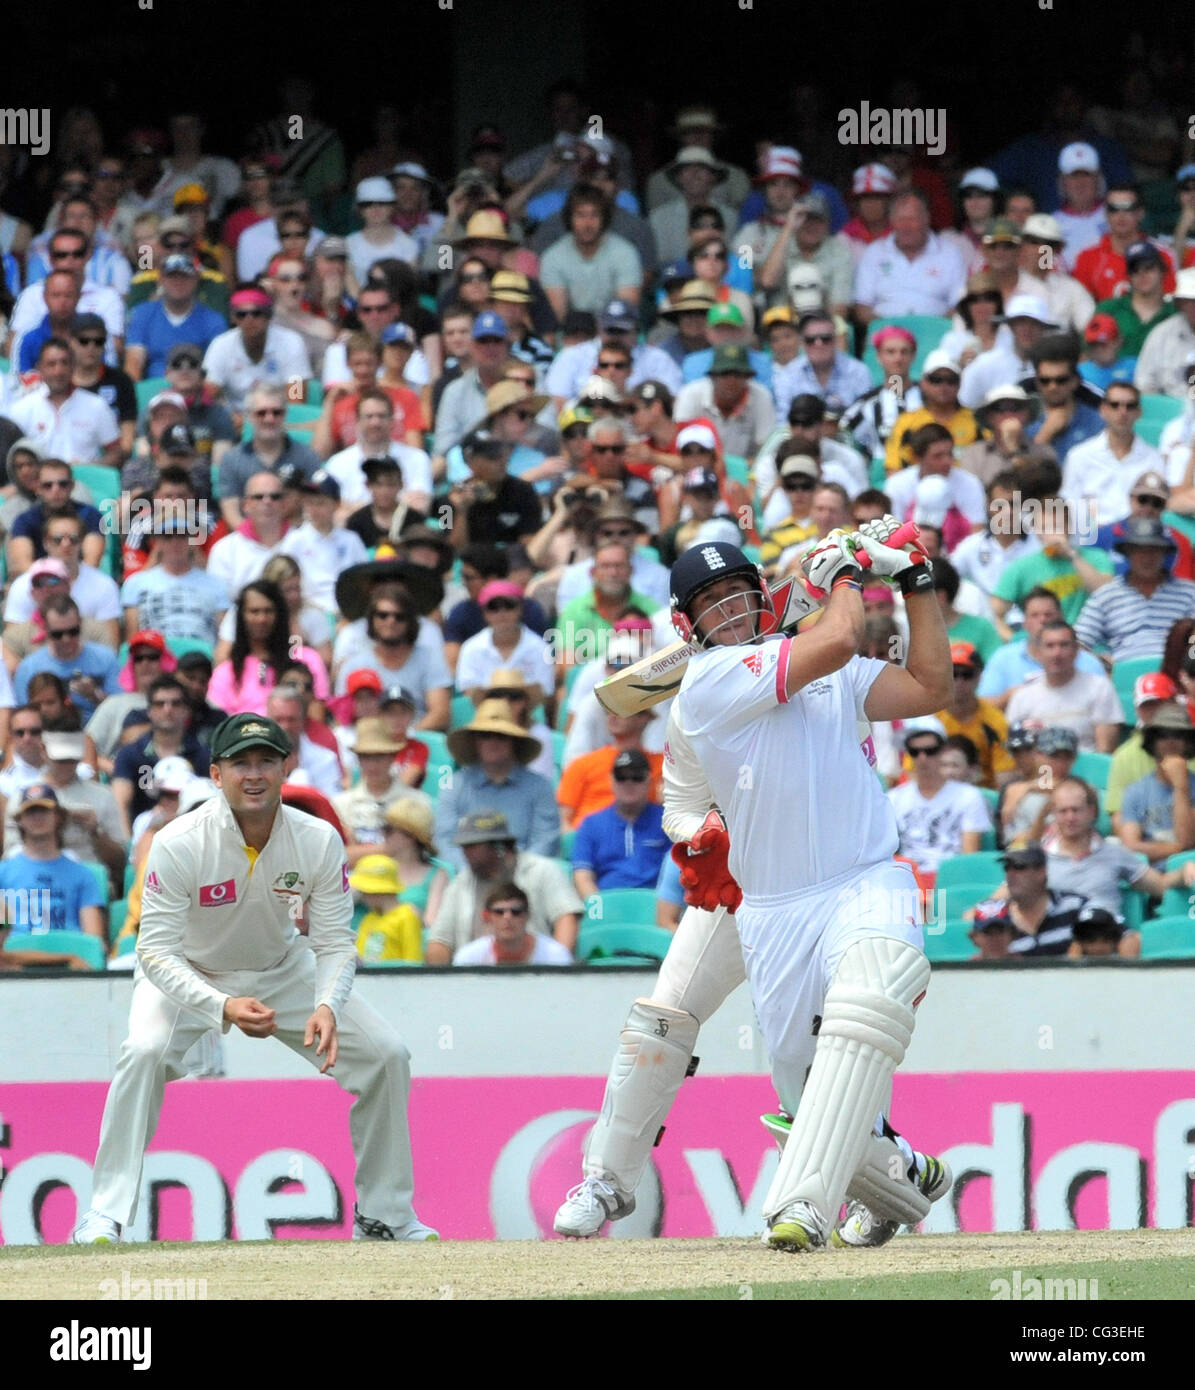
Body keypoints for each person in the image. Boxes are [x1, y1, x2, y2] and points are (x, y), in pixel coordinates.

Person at [652, 522, 953, 1251]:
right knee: (803, 1095)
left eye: (737, 593)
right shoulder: (706, 685)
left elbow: (929, 686)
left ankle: (799, 1208)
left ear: (766, 596)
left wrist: (914, 582)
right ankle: (900, 1175)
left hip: (865, 878)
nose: (727, 609)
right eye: (709, 600)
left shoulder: (829, 669)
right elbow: (839, 638)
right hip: (774, 910)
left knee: (867, 1001)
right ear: (684, 623)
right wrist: (848, 573)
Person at [71, 711, 438, 1245]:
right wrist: (221, 1005)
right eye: (239, 763)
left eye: (266, 760)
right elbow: (153, 952)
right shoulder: (179, 841)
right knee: (144, 1052)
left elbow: (335, 942)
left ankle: (383, 1216)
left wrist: (329, 1004)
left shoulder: (318, 839)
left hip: (282, 969)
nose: (254, 774)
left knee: (386, 1055)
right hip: (187, 972)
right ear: (216, 775)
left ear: (286, 768)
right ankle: (104, 1215)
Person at [424, 812, 582, 964]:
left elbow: (566, 919)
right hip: (474, 978)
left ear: (498, 846)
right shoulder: (459, 884)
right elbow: (440, 941)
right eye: (464, 846)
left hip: (534, 971)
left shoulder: (543, 871)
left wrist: (558, 969)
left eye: (472, 846)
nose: (465, 852)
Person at [1044, 775, 1189, 915]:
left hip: (1108, 933)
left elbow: (1160, 884)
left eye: (1076, 810)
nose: (1070, 818)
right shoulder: (1040, 861)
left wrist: (1183, 873)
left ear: (1092, 812)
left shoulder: (1114, 853)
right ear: (1054, 814)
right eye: (1063, 811)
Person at [1074, 518, 1195, 663]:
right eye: (1140, 551)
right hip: (1123, 674)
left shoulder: (1188, 593)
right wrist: (1100, 662)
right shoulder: (1106, 595)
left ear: (1164, 554)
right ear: (1128, 553)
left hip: (1176, 672)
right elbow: (1078, 641)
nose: (1147, 558)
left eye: (1153, 551)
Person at [887, 719, 994, 880]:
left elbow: (969, 857)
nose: (922, 758)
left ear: (943, 751)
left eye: (930, 750)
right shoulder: (894, 798)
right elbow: (888, 855)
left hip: (952, 879)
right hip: (908, 880)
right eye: (915, 751)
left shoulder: (969, 796)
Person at [207, 580, 330, 717]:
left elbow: (316, 719)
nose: (262, 619)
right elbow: (220, 726)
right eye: (254, 612)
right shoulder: (227, 672)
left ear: (280, 614)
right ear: (242, 617)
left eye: (269, 611)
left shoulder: (308, 659)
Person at [0, 783, 106, 940]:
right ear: (20, 819)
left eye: (44, 810)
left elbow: (94, 939)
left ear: (58, 817)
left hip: (68, 956)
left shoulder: (82, 874)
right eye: (31, 811)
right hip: (14, 959)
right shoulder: (3, 872)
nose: (37, 817)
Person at [331, 591, 451, 730]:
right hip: (367, 743)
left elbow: (441, 715)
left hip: (417, 740)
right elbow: (342, 718)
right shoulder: (354, 664)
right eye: (383, 615)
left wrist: (404, 738)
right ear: (372, 619)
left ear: (410, 621)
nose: (391, 621)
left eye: (399, 617)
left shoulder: (429, 659)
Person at [1004, 619, 1122, 752]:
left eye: (1064, 645)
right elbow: (1015, 753)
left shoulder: (1099, 688)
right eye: (1050, 646)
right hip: (1043, 772)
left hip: (1085, 770)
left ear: (1076, 651)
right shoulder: (1023, 697)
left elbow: (1105, 751)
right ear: (1038, 653)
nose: (1057, 653)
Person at [853, 191, 967, 322]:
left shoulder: (950, 253)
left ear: (926, 219)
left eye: (912, 219)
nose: (906, 227)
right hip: (885, 334)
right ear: (892, 222)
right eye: (900, 219)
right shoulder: (874, 252)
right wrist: (893, 331)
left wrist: (929, 327)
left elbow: (959, 305)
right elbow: (862, 307)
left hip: (935, 333)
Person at [1060, 381, 1164, 525]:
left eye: (1130, 406)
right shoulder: (1079, 456)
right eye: (1115, 405)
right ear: (1103, 410)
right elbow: (1069, 503)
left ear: (1139, 412)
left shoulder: (1154, 459)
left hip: (1136, 537)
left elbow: (1160, 506)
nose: (1122, 412)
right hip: (1091, 536)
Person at [571, 749, 669, 897]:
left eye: (637, 777)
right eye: (621, 776)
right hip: (606, 905)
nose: (629, 783)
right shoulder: (591, 824)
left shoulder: (667, 821)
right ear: (611, 780)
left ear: (649, 780)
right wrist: (600, 911)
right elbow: (582, 876)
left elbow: (678, 872)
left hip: (656, 906)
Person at [34, 728, 129, 878]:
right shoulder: (24, 796)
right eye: (60, 759)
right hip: (36, 878)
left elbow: (120, 861)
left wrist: (95, 830)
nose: (66, 765)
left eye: (71, 759)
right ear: (43, 751)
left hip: (88, 879)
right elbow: (11, 857)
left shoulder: (103, 796)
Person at [334, 717, 430, 864]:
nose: (373, 765)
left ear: (392, 757)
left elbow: (418, 858)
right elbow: (338, 859)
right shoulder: (340, 803)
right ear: (358, 760)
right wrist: (390, 848)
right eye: (366, 757)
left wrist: (358, 851)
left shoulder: (417, 801)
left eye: (379, 756)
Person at [111, 674, 205, 823]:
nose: (168, 710)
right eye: (160, 704)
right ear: (149, 711)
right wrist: (129, 845)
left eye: (176, 703)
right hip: (143, 836)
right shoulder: (130, 754)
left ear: (187, 711)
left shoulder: (203, 755)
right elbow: (119, 806)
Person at [968, 843, 1088, 957]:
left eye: (1019, 867)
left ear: (1041, 872)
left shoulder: (1075, 906)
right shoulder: (998, 919)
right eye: (1007, 867)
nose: (1011, 874)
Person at [13, 593, 120, 720]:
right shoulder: (29, 668)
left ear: (81, 625)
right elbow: (23, 718)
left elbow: (121, 712)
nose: (66, 639)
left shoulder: (105, 658)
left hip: (98, 732)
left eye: (73, 632)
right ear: (45, 630)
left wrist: (95, 695)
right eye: (57, 634)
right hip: (49, 734)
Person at [1118, 703, 1195, 863]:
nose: (1171, 741)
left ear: (1188, 742)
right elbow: (1130, 845)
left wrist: (1181, 787)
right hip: (1152, 873)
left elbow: (1188, 839)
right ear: (1152, 741)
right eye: (1163, 734)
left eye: (1179, 735)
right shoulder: (1136, 791)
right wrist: (1178, 848)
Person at [453, 882, 574, 966]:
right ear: (486, 917)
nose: (508, 917)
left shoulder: (556, 956)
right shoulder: (468, 958)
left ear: (528, 916)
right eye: (499, 912)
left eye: (516, 912)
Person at [382, 798, 449, 927]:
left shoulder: (438, 875)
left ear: (410, 836)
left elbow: (432, 924)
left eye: (388, 829)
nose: (383, 834)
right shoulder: (377, 866)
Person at [351, 854, 423, 964]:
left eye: (363, 891)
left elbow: (413, 962)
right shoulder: (369, 918)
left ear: (375, 891)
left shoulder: (407, 916)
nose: (363, 897)